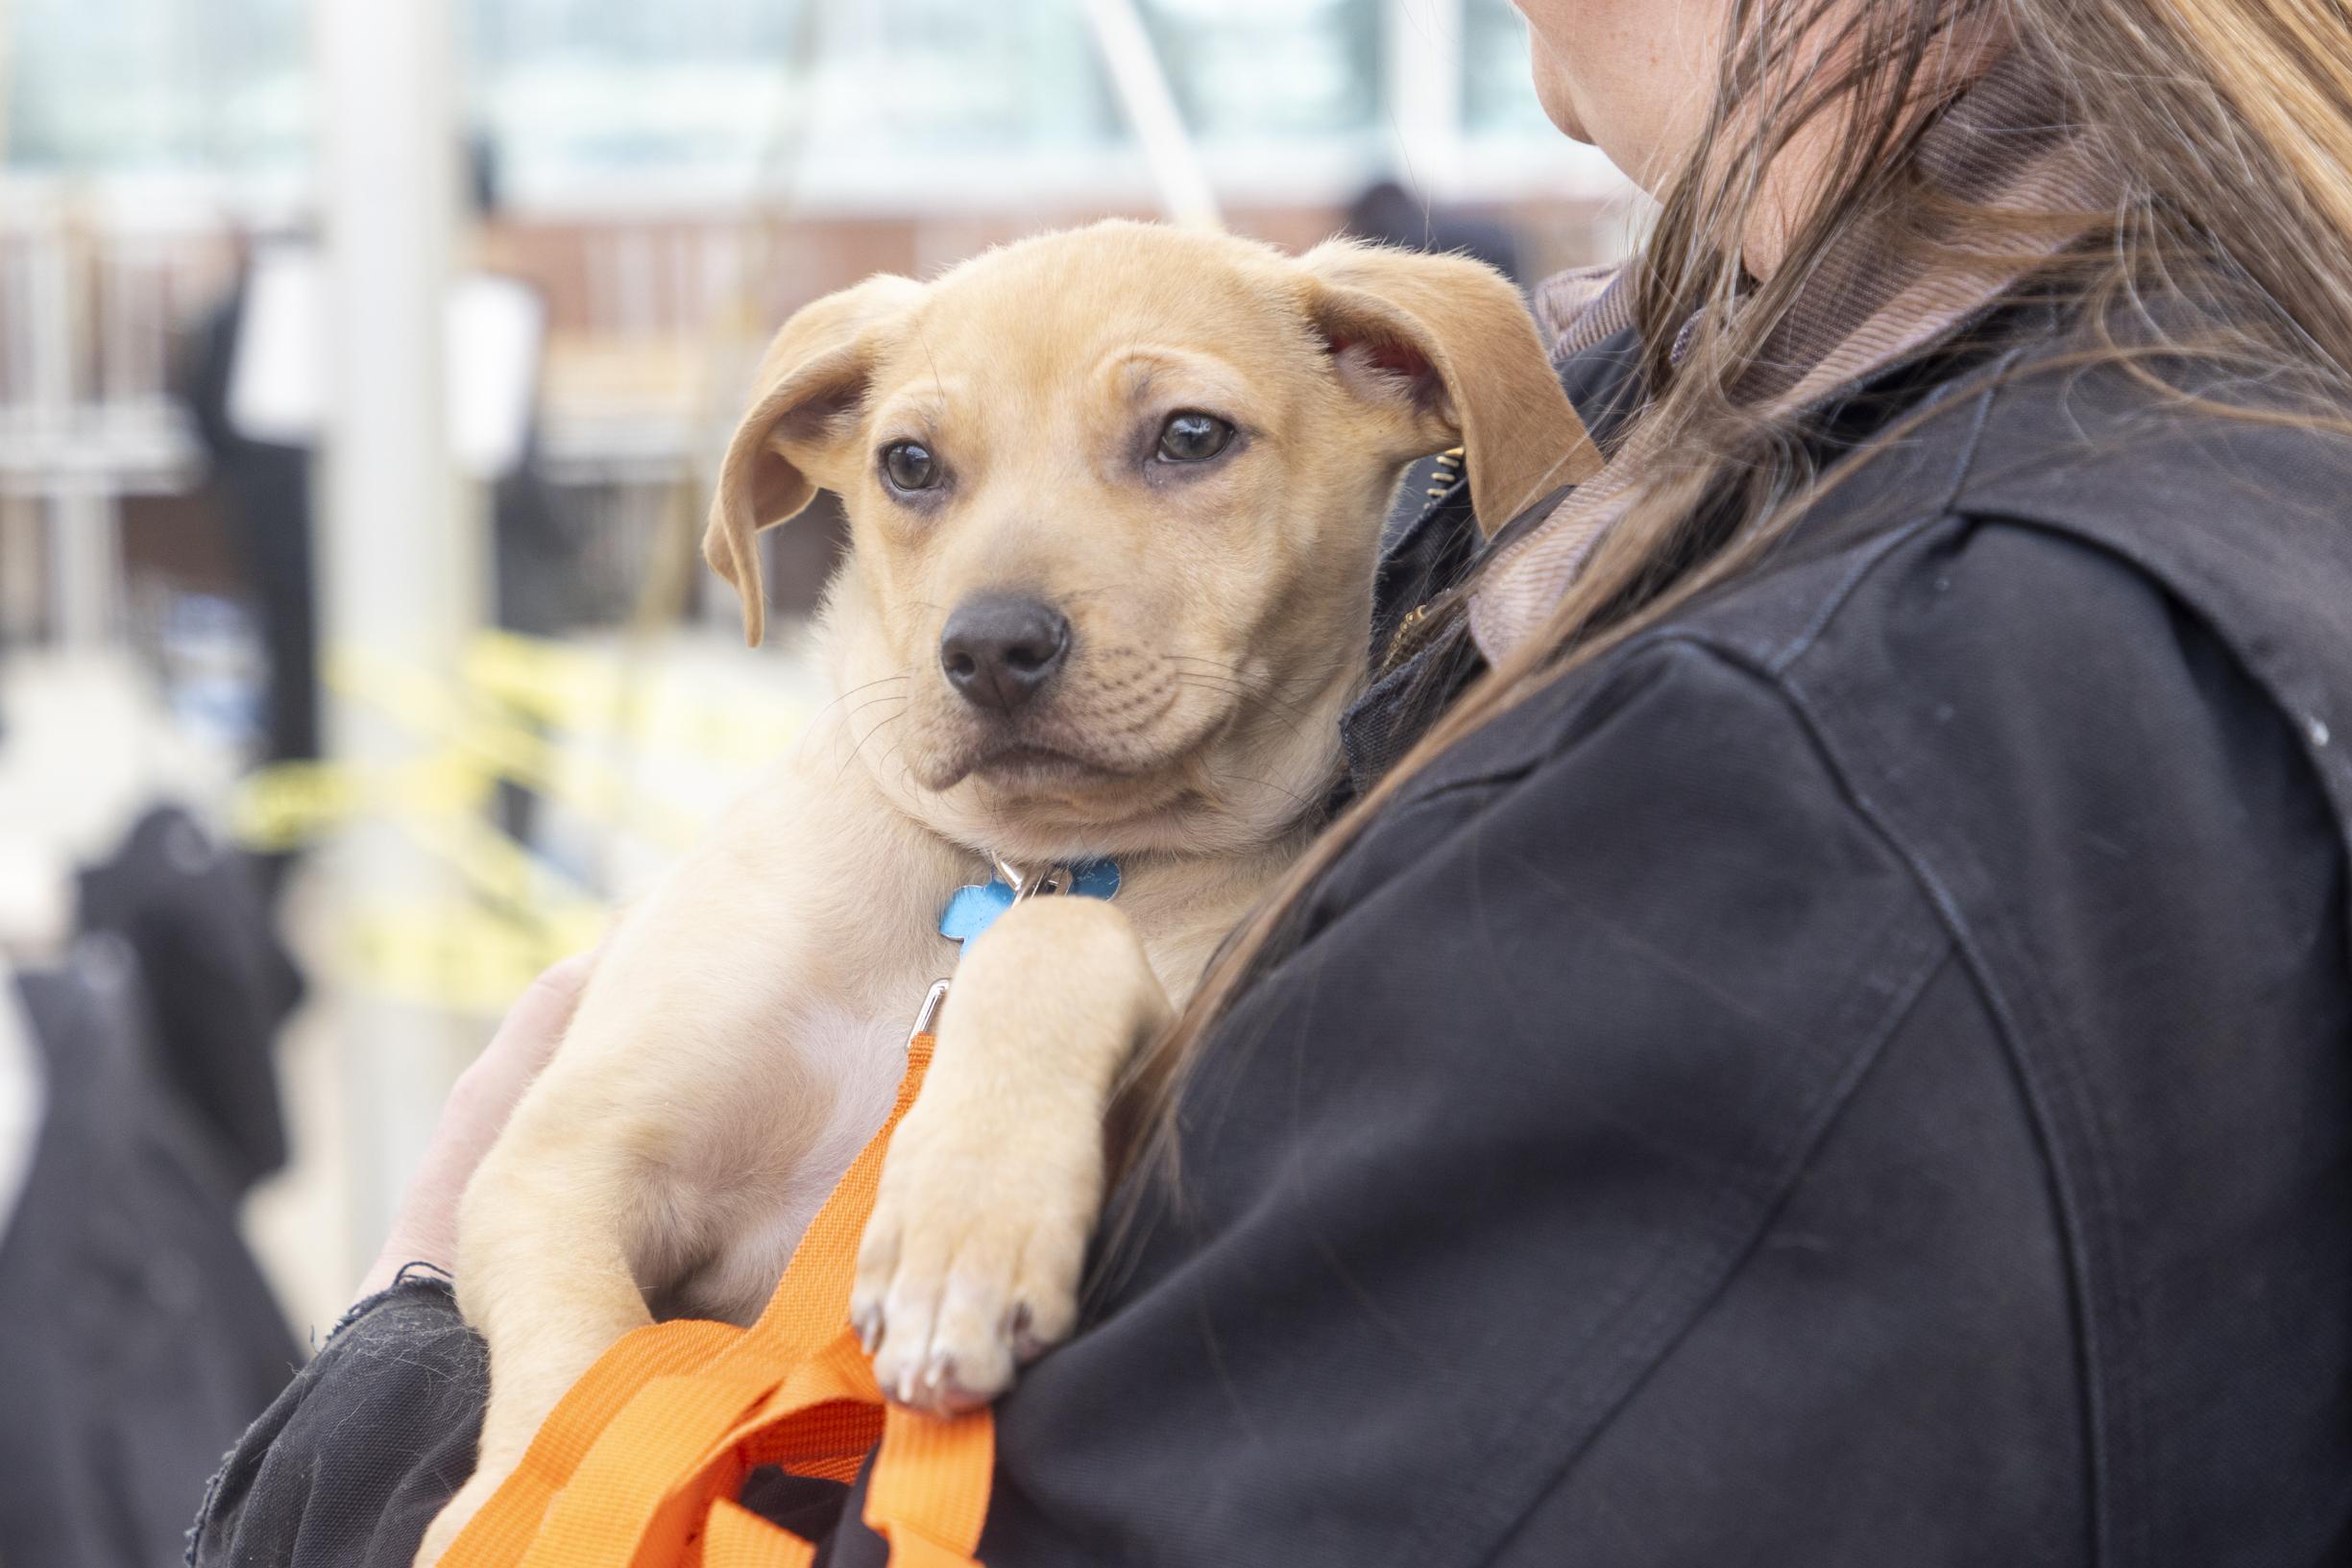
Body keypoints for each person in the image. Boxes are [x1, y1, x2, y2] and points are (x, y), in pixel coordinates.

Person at [193, 1, 2352, 1562]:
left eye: (1182, 444)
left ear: (1420, 397)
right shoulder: (2147, 424)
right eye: (917, 474)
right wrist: (512, 1392)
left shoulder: (1847, 701)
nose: (1006, 603)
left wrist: (395, 1377)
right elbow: (576, 1191)